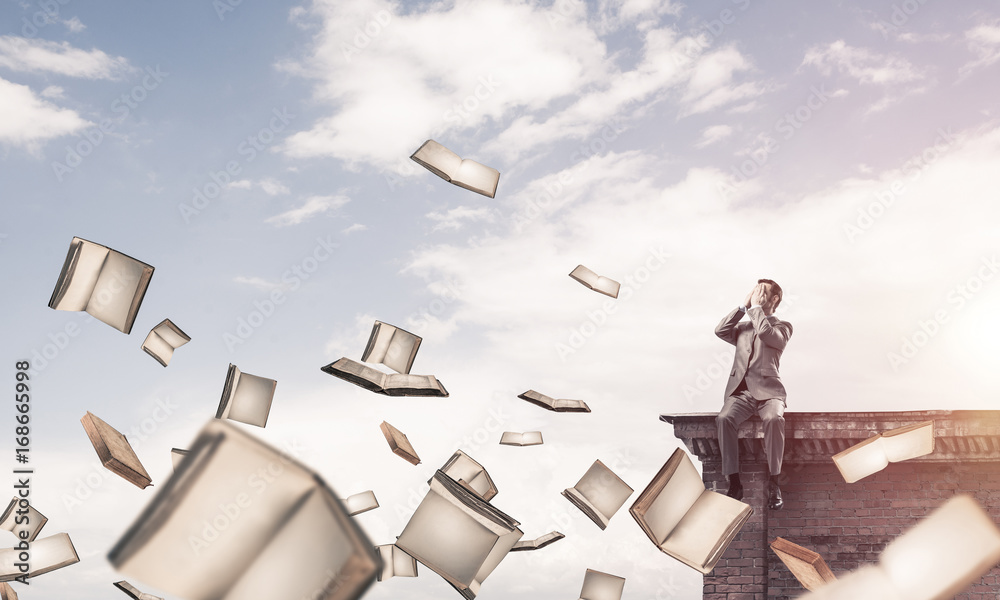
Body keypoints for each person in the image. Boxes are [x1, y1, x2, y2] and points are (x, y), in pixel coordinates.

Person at [714, 279, 792, 510]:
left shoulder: (783, 327)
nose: (756, 294)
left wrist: (756, 309)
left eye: (762, 291)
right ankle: (735, 482)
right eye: (755, 290)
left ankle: (774, 482)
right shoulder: (743, 328)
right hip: (741, 393)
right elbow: (720, 330)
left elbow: (767, 335)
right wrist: (743, 306)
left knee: (774, 419)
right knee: (723, 419)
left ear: (775, 299)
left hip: (770, 393)